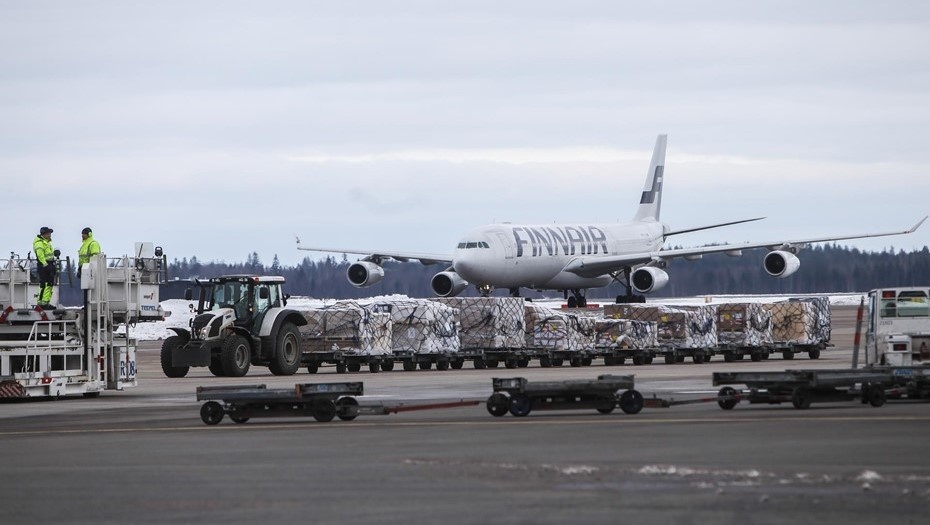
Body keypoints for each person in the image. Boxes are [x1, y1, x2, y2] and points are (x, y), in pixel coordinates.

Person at [33, 226, 56, 309]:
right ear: (44, 234)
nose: (50, 235)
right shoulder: (39, 243)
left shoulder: (47, 242)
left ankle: (46, 302)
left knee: (49, 284)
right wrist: (45, 264)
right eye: (48, 233)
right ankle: (42, 303)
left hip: (49, 264)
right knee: (44, 284)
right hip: (44, 265)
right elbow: (40, 255)